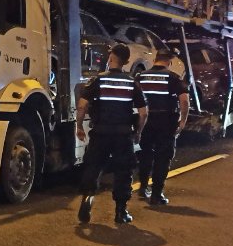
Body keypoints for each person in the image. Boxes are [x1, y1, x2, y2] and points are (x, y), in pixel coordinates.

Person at [75, 44, 148, 224]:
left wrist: (79, 127)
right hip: (123, 135)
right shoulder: (132, 83)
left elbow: (82, 105)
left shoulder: (97, 80)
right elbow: (143, 113)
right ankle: (120, 212)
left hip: (100, 133)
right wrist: (138, 132)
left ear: (111, 58)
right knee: (123, 171)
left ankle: (88, 197)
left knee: (93, 166)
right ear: (126, 61)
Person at [135, 49, 190, 205]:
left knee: (145, 155)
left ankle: (143, 187)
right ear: (170, 62)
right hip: (165, 121)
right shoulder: (173, 78)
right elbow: (184, 101)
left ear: (154, 61)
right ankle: (156, 194)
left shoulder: (141, 77)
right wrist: (183, 121)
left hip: (146, 121)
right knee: (163, 157)